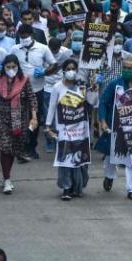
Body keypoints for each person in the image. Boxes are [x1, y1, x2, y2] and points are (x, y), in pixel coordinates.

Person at [99, 55, 132, 201]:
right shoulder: (115, 84)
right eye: (125, 67)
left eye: (130, 68)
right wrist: (103, 121)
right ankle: (109, 176)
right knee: (111, 156)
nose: (127, 70)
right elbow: (103, 102)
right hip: (115, 126)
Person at [0, 55, 38, 195]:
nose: (11, 70)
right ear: (4, 68)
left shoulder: (24, 80)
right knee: (5, 148)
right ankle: (7, 179)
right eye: (8, 67)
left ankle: (8, 175)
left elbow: (32, 98)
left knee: (12, 148)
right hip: (1, 119)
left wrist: (34, 117)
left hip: (18, 120)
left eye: (14, 67)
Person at [46, 59, 90, 201]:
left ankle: (77, 187)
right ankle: (66, 188)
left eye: (74, 69)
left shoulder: (81, 86)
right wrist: (48, 126)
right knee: (66, 158)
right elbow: (52, 107)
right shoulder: (57, 87)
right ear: (63, 71)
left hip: (80, 128)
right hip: (63, 129)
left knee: (79, 158)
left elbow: (92, 103)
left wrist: (93, 90)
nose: (71, 71)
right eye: (69, 68)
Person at [11, 24, 56, 160]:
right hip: (19, 90)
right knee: (19, 118)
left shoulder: (43, 48)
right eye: (21, 35)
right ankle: (21, 147)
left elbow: (54, 64)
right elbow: (8, 64)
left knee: (34, 118)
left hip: (37, 89)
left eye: (26, 34)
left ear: (31, 34)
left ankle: (31, 147)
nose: (24, 37)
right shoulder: (14, 49)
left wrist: (45, 71)